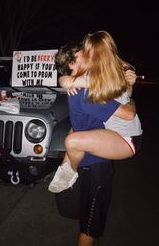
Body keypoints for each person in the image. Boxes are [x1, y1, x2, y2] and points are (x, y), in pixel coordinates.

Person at [51, 39, 138, 246]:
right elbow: (128, 112)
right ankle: (68, 170)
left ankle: (68, 168)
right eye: (82, 53)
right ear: (72, 64)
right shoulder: (85, 92)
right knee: (90, 228)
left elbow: (116, 93)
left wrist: (128, 85)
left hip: (93, 155)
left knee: (93, 225)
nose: (88, 54)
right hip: (95, 162)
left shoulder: (84, 84)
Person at [48, 31, 143, 195]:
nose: (85, 56)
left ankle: (70, 170)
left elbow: (128, 112)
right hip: (114, 130)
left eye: (87, 52)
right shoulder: (103, 73)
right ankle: (65, 167)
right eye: (82, 54)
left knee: (72, 141)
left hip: (128, 138)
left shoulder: (103, 76)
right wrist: (66, 80)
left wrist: (68, 80)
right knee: (75, 130)